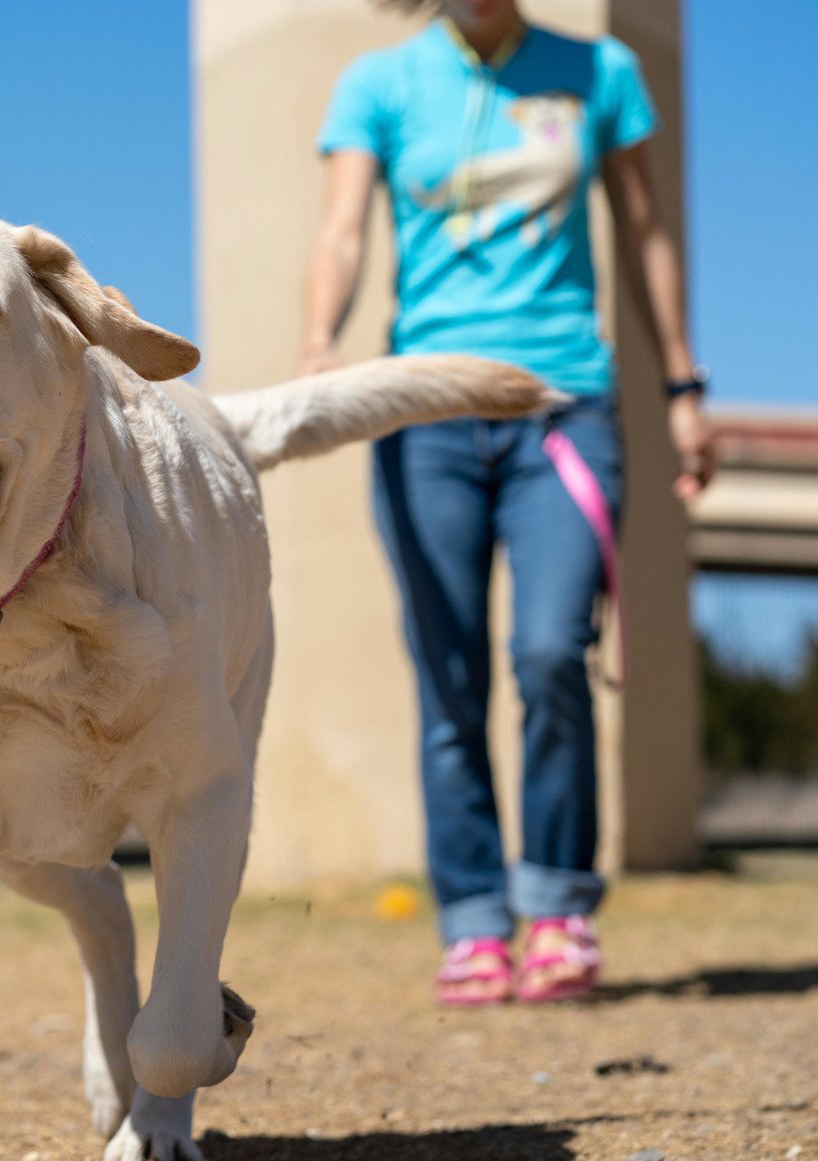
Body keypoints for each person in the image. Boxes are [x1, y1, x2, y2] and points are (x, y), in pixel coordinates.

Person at [299, 0, 715, 1004]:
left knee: (548, 650)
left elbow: (646, 233)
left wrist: (685, 387)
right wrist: (321, 347)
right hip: (428, 409)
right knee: (450, 681)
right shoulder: (382, 85)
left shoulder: (598, 70)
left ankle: (560, 904)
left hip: (562, 406)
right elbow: (344, 230)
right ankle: (477, 921)